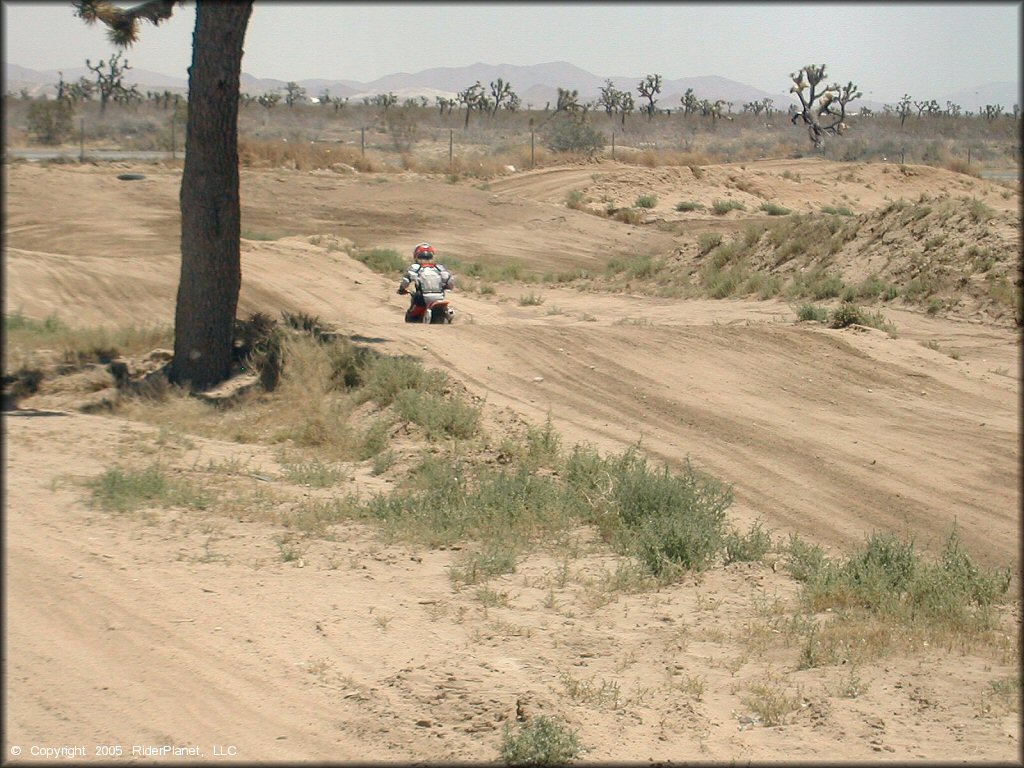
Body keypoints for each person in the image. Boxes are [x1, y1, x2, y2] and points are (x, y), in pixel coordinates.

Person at [397, 242, 455, 322]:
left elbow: (406, 280)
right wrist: (447, 287)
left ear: (416, 255)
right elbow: (450, 280)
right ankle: (448, 314)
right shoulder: (439, 268)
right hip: (439, 297)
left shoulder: (415, 267)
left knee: (410, 315)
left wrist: (401, 289)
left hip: (422, 298)